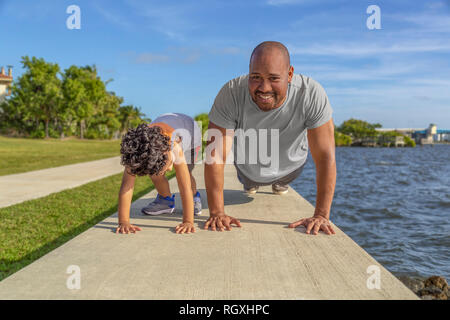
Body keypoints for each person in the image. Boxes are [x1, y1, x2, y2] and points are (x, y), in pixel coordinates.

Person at [204, 41, 337, 236]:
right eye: (256, 77)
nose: (264, 88)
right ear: (249, 72)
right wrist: (216, 212)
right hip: (247, 170)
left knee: (282, 181)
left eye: (274, 78)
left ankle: (279, 184)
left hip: (291, 167)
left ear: (290, 74)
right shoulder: (231, 93)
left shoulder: (311, 93)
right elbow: (215, 156)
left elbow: (326, 156)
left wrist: (321, 215)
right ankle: (252, 184)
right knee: (249, 183)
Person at [116, 113, 202, 235]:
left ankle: (195, 197)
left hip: (191, 133)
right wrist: (123, 222)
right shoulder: (135, 152)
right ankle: (165, 200)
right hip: (164, 130)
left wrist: (188, 221)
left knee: (185, 173)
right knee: (154, 172)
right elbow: (126, 187)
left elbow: (184, 186)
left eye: (168, 165)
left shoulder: (175, 146)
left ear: (167, 151)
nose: (170, 169)